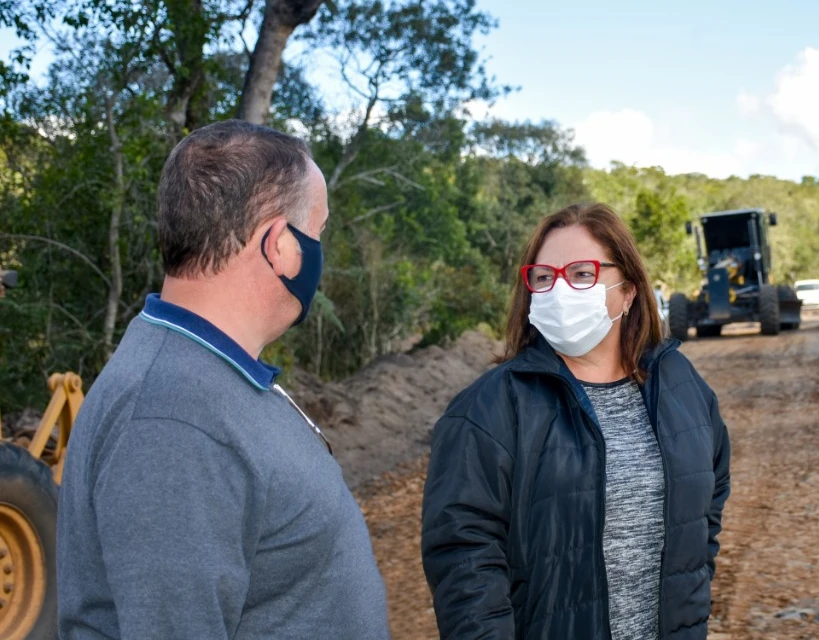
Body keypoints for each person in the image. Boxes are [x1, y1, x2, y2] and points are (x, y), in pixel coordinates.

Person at [57, 120, 391, 639]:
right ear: (279, 244)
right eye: (318, 232)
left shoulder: (208, 374)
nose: (318, 249)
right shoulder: (172, 419)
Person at [421, 203, 731, 639]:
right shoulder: (486, 411)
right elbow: (463, 560)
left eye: (582, 273)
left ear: (628, 291)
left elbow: (708, 499)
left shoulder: (680, 383)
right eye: (545, 277)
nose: (559, 291)